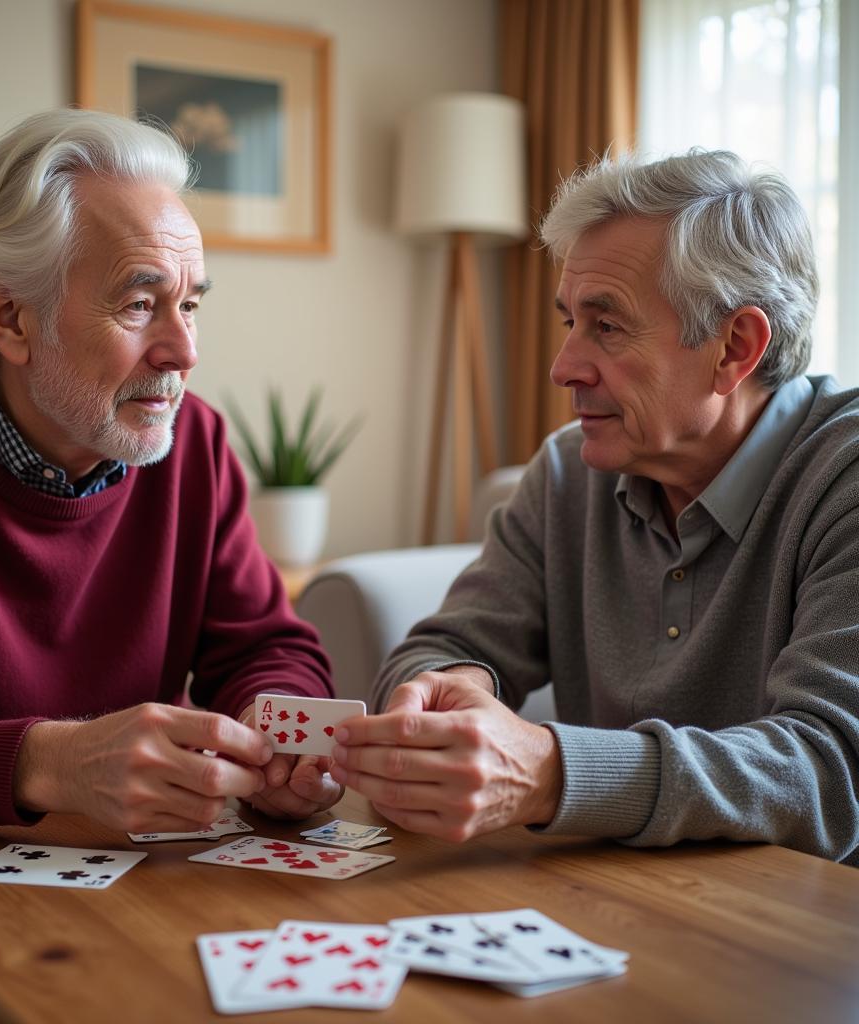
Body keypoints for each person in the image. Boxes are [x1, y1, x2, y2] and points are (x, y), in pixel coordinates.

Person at [0, 109, 341, 1020]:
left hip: (127, 895)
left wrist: (282, 733)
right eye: (141, 303)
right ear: (9, 316)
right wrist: (51, 763)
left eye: (191, 304)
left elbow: (264, 642)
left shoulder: (195, 447)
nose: (184, 351)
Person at [330, 149, 859, 866]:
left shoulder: (843, 478)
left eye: (606, 327)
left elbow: (831, 774)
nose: (563, 367)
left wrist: (554, 772)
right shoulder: (567, 473)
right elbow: (444, 647)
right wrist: (449, 688)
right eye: (569, 322)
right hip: (615, 904)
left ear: (735, 347)